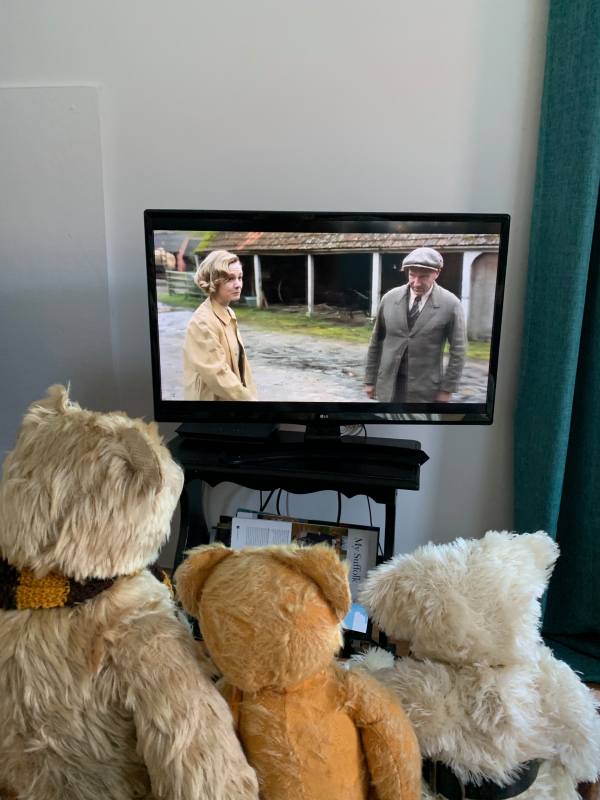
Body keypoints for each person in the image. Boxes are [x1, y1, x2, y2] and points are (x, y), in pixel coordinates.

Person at [365, 246, 466, 402]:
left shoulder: (451, 304)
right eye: (412, 275)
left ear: (437, 273)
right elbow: (376, 341)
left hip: (425, 391)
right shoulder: (389, 299)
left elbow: (458, 350)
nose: (416, 283)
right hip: (388, 386)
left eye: (424, 276)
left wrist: (447, 389)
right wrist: (370, 380)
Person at [183, 250, 258, 400]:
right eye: (230, 279)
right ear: (214, 281)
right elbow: (218, 374)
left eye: (240, 277)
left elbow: (239, 364)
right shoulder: (202, 322)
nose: (238, 284)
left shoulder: (228, 312)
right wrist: (250, 402)